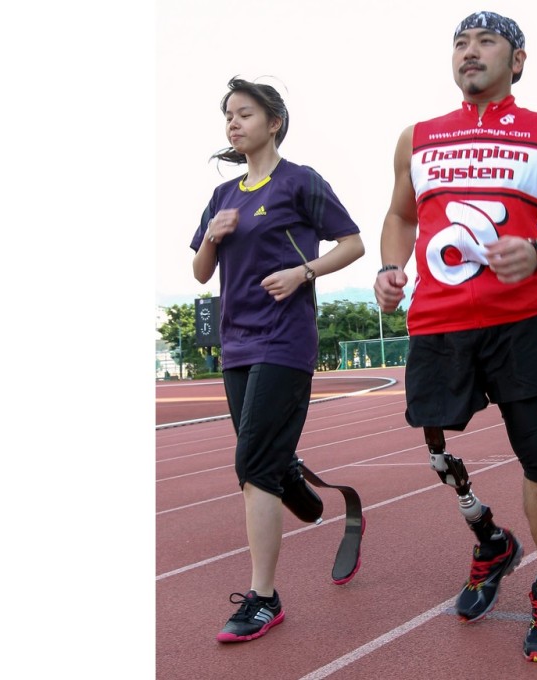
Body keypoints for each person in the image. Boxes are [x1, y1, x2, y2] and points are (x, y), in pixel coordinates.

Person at [373, 11, 537, 662]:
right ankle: (489, 537)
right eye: (461, 42)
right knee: (434, 444)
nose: (470, 51)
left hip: (520, 320)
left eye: (486, 41)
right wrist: (390, 267)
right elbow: (399, 214)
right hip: (438, 324)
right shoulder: (418, 136)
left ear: (515, 60)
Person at [191, 77, 365, 643]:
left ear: (274, 122)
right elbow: (199, 272)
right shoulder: (222, 198)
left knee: (252, 468)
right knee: (259, 461)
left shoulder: (300, 182)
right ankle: (286, 468)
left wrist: (303, 272)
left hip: (285, 340)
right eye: (228, 117)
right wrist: (212, 239)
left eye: (245, 114)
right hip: (235, 343)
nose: (234, 124)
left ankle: (264, 598)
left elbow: (351, 243)